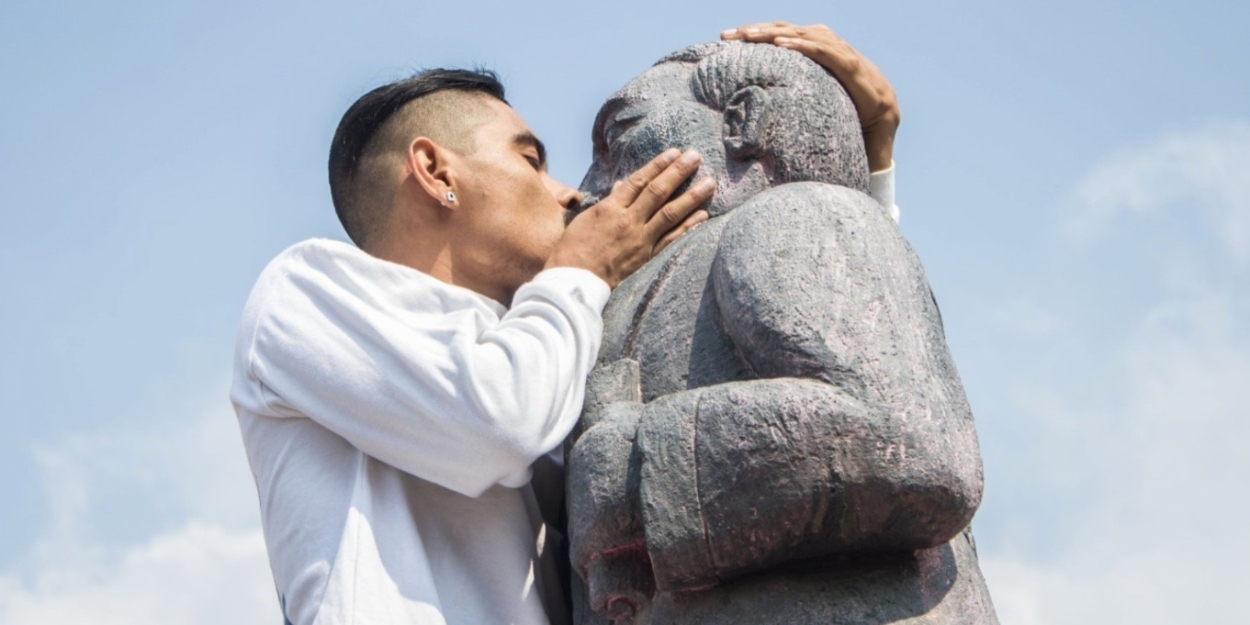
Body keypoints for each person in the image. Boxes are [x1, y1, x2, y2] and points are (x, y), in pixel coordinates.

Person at [230, 21, 900, 625]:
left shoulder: (552, 333)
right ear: (436, 172)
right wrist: (578, 271)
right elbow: (497, 421)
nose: (571, 193)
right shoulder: (304, 291)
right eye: (530, 159)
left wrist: (867, 171)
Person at [565, 29, 996, 625]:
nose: (583, 189)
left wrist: (630, 466)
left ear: (740, 121)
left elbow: (910, 443)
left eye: (621, 135)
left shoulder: (795, 217)